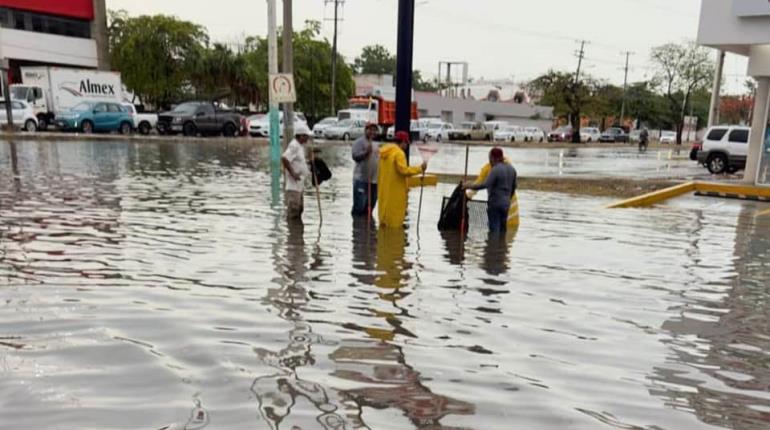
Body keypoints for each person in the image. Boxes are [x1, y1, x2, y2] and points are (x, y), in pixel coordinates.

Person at [377, 131, 427, 228]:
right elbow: (403, 170)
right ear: (403, 141)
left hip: (384, 193)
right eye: (406, 143)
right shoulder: (399, 153)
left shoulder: (385, 152)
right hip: (395, 195)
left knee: (383, 225)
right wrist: (420, 169)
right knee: (394, 226)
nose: (407, 146)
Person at [464, 147, 517, 234]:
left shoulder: (495, 170)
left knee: (494, 231)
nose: (489, 161)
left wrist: (470, 186)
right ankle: (502, 246)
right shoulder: (512, 169)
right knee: (503, 230)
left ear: (493, 158)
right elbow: (514, 187)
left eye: (490, 158)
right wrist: (508, 199)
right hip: (506, 205)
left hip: (495, 204)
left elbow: (485, 184)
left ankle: (493, 247)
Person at [281, 124, 312, 222]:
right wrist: (293, 173)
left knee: (299, 210)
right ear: (301, 136)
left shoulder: (299, 146)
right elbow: (285, 158)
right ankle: (293, 235)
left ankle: (297, 234)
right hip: (293, 187)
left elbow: (299, 162)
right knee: (294, 211)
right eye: (306, 136)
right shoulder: (294, 145)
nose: (308, 139)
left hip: (299, 186)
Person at [351, 123, 380, 217]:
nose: (372, 132)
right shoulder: (359, 142)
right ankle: (357, 228)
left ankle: (367, 230)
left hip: (374, 181)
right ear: (365, 130)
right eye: (370, 130)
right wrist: (366, 153)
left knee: (370, 207)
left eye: (374, 130)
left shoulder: (377, 144)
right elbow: (355, 157)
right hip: (361, 180)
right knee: (360, 207)